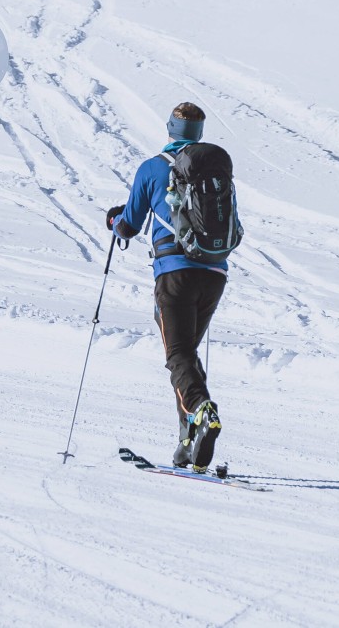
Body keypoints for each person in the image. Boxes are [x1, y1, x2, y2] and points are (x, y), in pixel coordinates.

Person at [107, 102, 228, 472]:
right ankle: (187, 441)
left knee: (177, 355)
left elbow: (130, 223)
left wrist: (114, 221)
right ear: (200, 134)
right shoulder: (215, 170)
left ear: (170, 128)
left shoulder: (152, 168)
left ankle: (201, 412)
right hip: (214, 272)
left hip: (174, 272)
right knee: (186, 355)